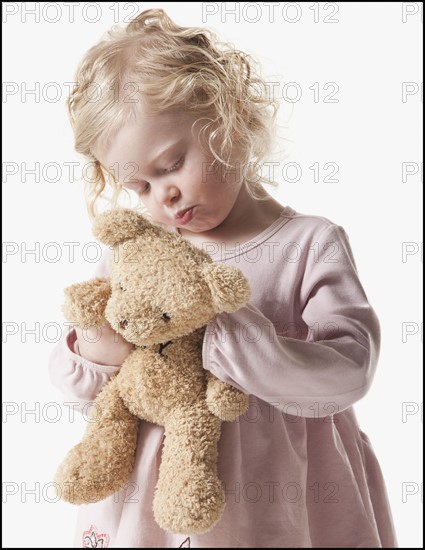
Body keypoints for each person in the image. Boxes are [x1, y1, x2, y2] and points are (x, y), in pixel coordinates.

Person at [49, 8, 398, 548]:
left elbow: (350, 370)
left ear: (229, 118)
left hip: (286, 491)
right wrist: (99, 339)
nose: (160, 197)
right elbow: (99, 396)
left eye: (169, 166)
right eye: (138, 187)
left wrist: (241, 343)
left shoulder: (308, 244)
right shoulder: (143, 251)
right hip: (158, 505)